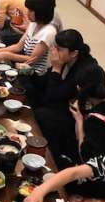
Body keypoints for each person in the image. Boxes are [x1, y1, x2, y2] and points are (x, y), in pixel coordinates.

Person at [34, 30, 98, 161]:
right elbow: (44, 83)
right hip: (62, 102)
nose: (54, 51)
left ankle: (55, 158)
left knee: (42, 113)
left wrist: (56, 68)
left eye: (59, 49)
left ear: (74, 53)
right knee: (30, 88)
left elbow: (51, 97)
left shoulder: (83, 71)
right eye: (54, 46)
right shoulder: (66, 59)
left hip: (77, 116)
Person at [0, 0, 57, 77]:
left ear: (41, 11)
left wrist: (6, 55)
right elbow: (18, 46)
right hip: (23, 68)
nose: (27, 13)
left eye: (30, 10)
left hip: (35, 75)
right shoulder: (34, 24)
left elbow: (31, 60)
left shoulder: (49, 32)